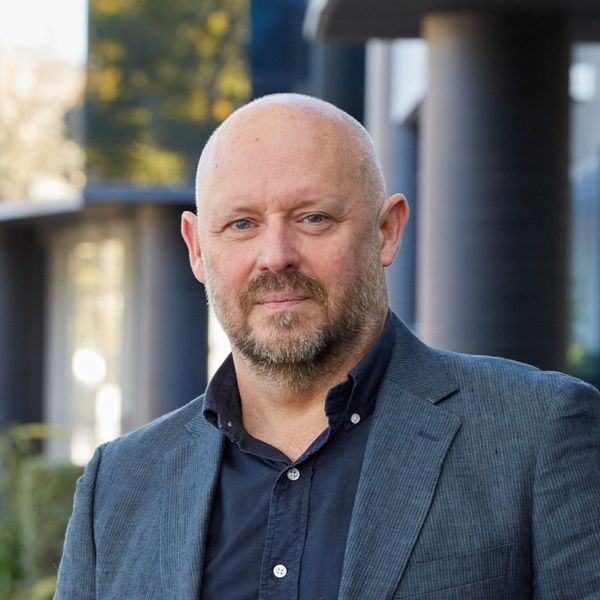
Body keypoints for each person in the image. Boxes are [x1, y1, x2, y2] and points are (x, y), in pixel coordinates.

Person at [55, 93, 600, 600]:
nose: (276, 256)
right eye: (242, 224)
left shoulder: (538, 432)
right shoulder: (118, 485)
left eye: (313, 218)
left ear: (386, 231)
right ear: (197, 249)